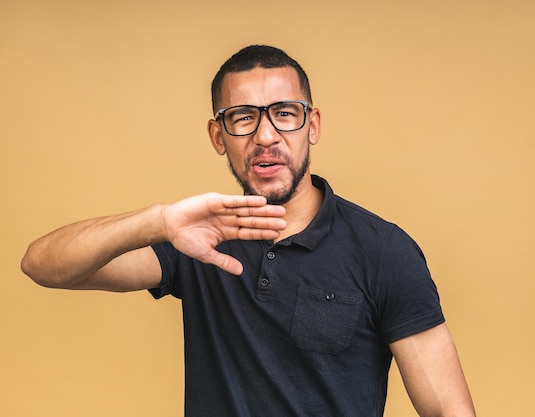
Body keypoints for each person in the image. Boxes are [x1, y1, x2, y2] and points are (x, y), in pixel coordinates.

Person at [21, 45, 476, 417]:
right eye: (242, 117)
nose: (265, 135)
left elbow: (449, 410)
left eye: (284, 112)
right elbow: (43, 266)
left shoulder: (383, 251)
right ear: (218, 136)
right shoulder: (195, 237)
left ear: (311, 125)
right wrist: (157, 221)